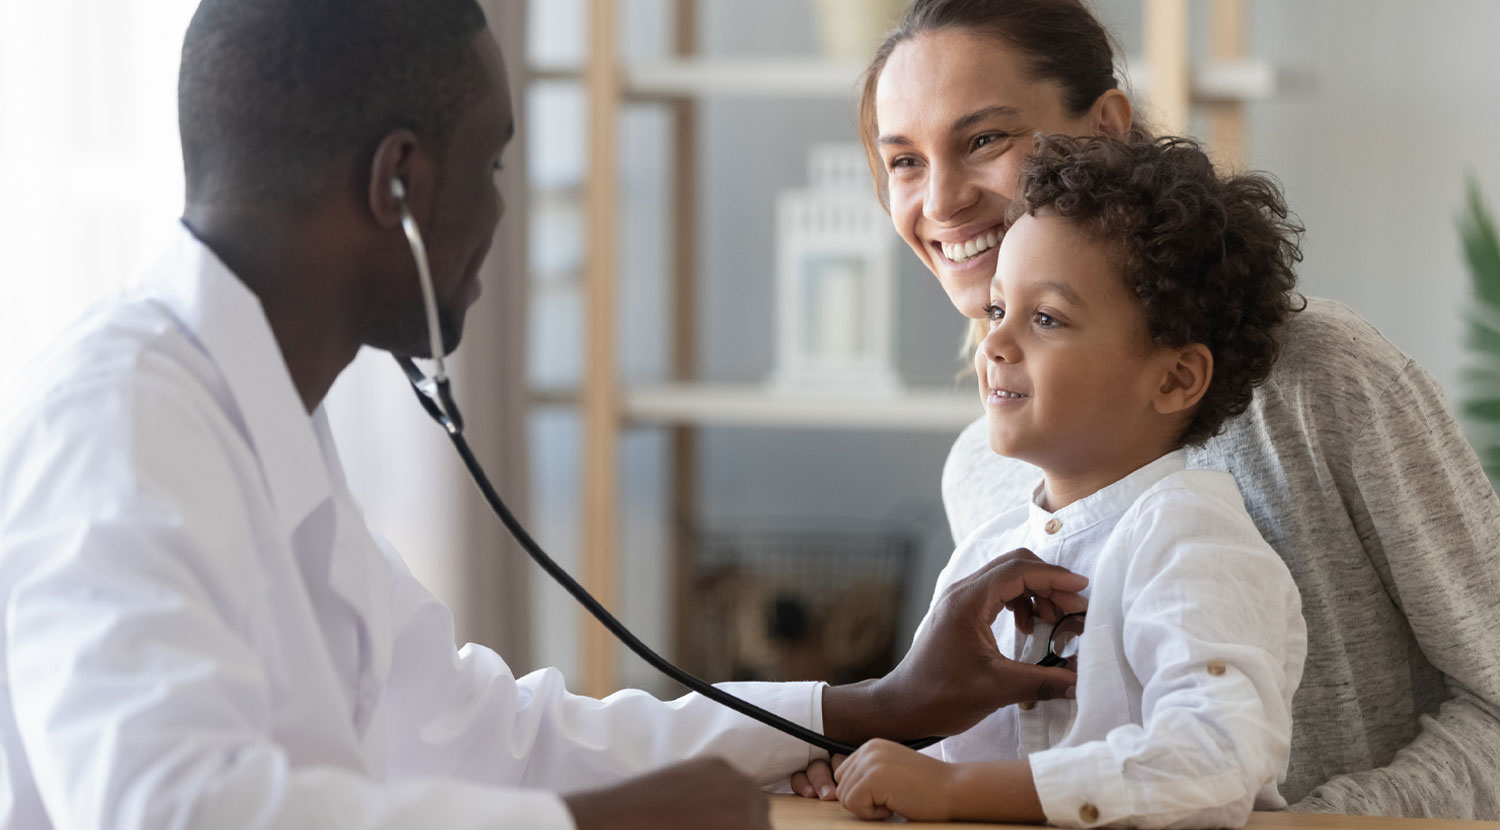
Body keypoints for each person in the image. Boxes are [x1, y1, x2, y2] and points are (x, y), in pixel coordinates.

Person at [0, 1, 1094, 828]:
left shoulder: (264, 420)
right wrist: (595, 822)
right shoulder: (118, 424)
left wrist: (874, 702)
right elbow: (174, 808)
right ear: (400, 188)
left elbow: (494, 732)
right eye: (491, 163)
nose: (501, 211)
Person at [793, 0, 1500, 819]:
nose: (942, 200)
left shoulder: (1322, 379)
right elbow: (1027, 762)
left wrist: (1313, 825)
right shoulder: (989, 471)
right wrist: (873, 760)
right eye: (905, 162)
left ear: (1103, 129)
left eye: (984, 139)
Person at [836, 131, 1308, 825]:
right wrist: (865, 768)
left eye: (1047, 318)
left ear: (1175, 378)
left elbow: (1214, 758)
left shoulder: (1191, 541)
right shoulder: (984, 556)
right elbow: (933, 758)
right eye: (998, 309)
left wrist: (948, 793)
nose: (994, 343)